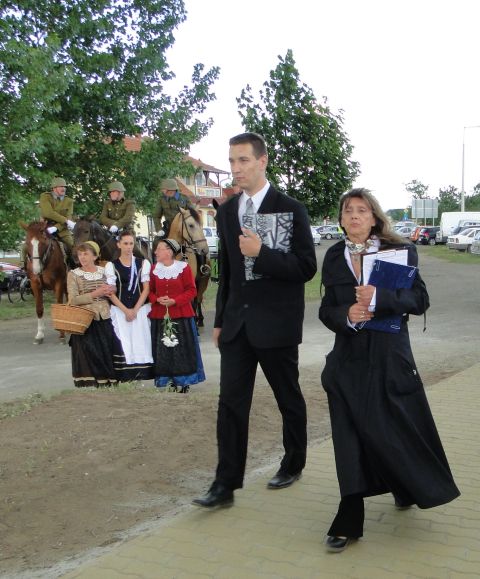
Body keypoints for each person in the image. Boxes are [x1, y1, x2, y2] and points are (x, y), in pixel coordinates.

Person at [319, 188, 460, 553]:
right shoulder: (333, 256)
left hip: (388, 359)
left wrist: (379, 299)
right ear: (341, 219)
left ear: (374, 217)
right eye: (348, 210)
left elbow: (419, 300)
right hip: (347, 361)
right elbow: (326, 309)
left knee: (393, 430)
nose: (354, 216)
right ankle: (349, 516)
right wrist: (346, 315)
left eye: (361, 210)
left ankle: (405, 485)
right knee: (348, 437)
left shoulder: (398, 251)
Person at [192, 132, 317, 509]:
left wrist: (261, 253)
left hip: (277, 325)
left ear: (262, 162)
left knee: (288, 398)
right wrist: (219, 320)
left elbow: (306, 268)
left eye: (243, 160)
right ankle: (225, 485)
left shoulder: (291, 209)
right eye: (232, 161)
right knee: (230, 404)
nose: (236, 168)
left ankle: (293, 463)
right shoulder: (227, 211)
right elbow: (228, 273)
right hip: (237, 326)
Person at [148, 238, 205, 392]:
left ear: (169, 251)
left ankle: (184, 381)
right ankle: (168, 381)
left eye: (159, 249)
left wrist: (175, 301)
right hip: (160, 315)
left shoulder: (183, 268)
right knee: (164, 350)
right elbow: (150, 291)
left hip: (181, 314)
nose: (155, 252)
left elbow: (192, 290)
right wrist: (157, 299)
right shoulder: (154, 269)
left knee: (182, 349)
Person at [67, 241, 118, 388]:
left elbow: (115, 288)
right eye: (80, 254)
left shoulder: (105, 271)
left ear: (95, 256)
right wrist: (95, 294)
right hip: (85, 319)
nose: (82, 257)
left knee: (107, 350)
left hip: (106, 317)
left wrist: (111, 289)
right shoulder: (74, 274)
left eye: (86, 254)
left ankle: (109, 382)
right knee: (90, 353)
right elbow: (72, 300)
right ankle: (92, 383)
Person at [105, 231, 153, 382]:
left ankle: (143, 373)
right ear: (118, 245)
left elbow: (146, 289)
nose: (128, 247)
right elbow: (110, 292)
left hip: (139, 308)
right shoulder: (111, 265)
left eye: (131, 243)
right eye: (125, 243)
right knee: (123, 340)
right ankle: (125, 375)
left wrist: (135, 310)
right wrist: (126, 310)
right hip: (120, 309)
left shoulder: (143, 263)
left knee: (140, 340)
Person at [38, 176, 75, 251]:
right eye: (61, 186)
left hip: (62, 230)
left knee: (73, 247)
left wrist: (56, 228)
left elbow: (69, 218)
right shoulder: (45, 197)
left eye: (64, 187)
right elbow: (48, 213)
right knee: (26, 247)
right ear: (54, 188)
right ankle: (23, 259)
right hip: (45, 228)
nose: (63, 188)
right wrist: (66, 220)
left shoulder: (69, 201)